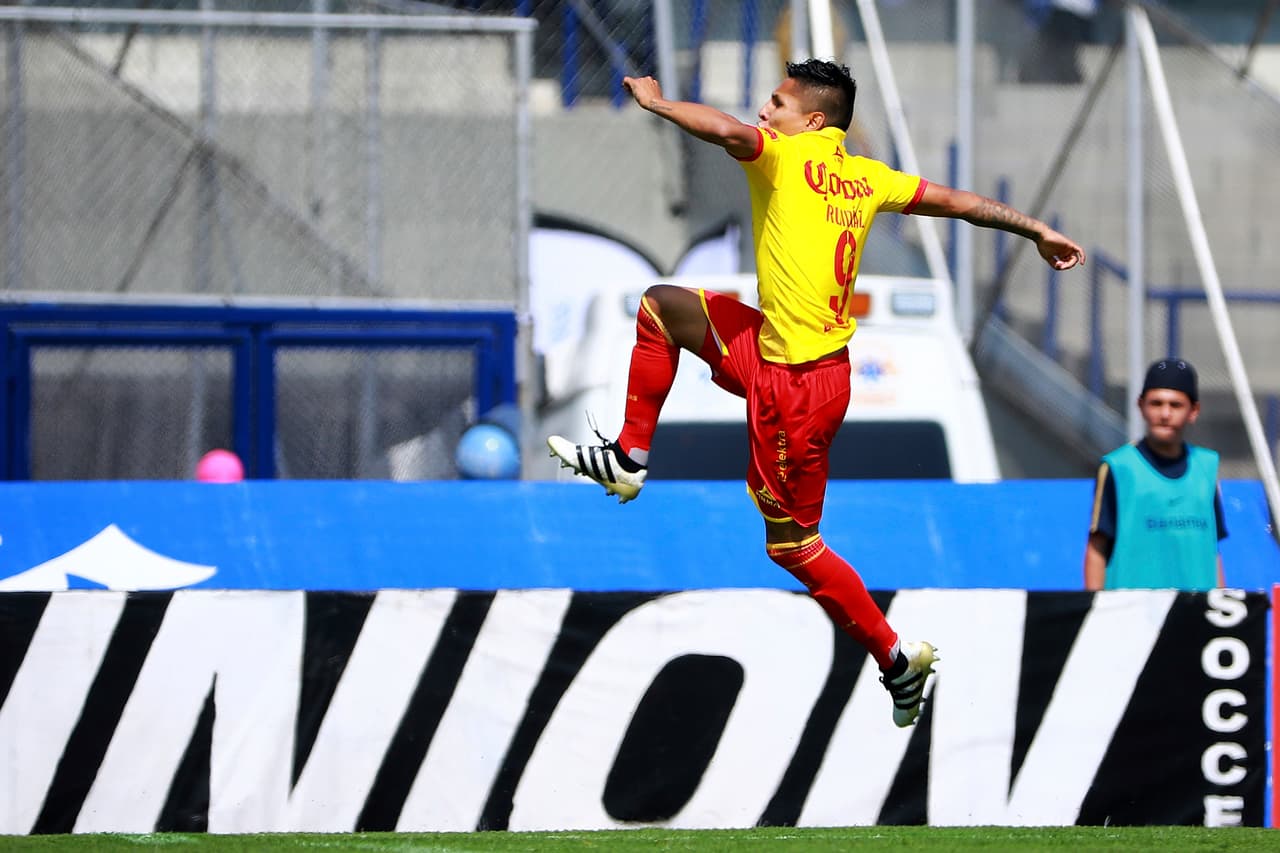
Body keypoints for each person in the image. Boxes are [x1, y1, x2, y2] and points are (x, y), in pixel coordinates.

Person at [547, 59, 1086, 727]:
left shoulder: (783, 154)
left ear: (812, 120)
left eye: (776, 101)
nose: (763, 111)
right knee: (661, 307)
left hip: (797, 388)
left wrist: (657, 105)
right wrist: (1034, 228)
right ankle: (629, 458)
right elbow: (959, 203)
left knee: (793, 546)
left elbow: (723, 130)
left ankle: (895, 657)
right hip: (777, 348)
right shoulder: (867, 177)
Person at [1083, 358, 1227, 591]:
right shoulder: (1119, 467)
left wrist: (1221, 609)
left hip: (1195, 615)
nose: (1165, 413)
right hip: (1134, 615)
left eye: (1176, 405)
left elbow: (1212, 551)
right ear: (1141, 406)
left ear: (1194, 411)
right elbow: (1096, 548)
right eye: (1156, 403)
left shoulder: (1207, 467)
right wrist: (1096, 612)